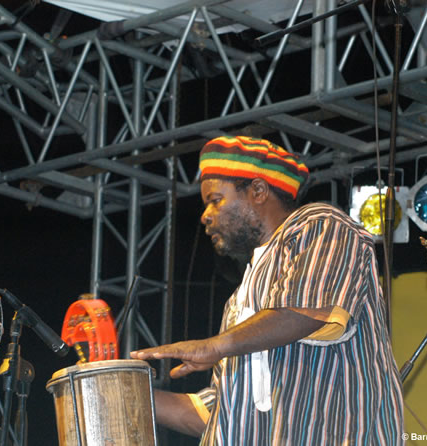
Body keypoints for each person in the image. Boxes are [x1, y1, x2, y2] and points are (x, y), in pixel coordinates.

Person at [131, 136, 404, 445]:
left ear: (258, 191)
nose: (205, 215)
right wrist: (121, 391)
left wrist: (215, 346)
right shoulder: (239, 302)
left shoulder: (321, 226)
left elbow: (311, 313)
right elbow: (218, 415)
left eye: (215, 200)